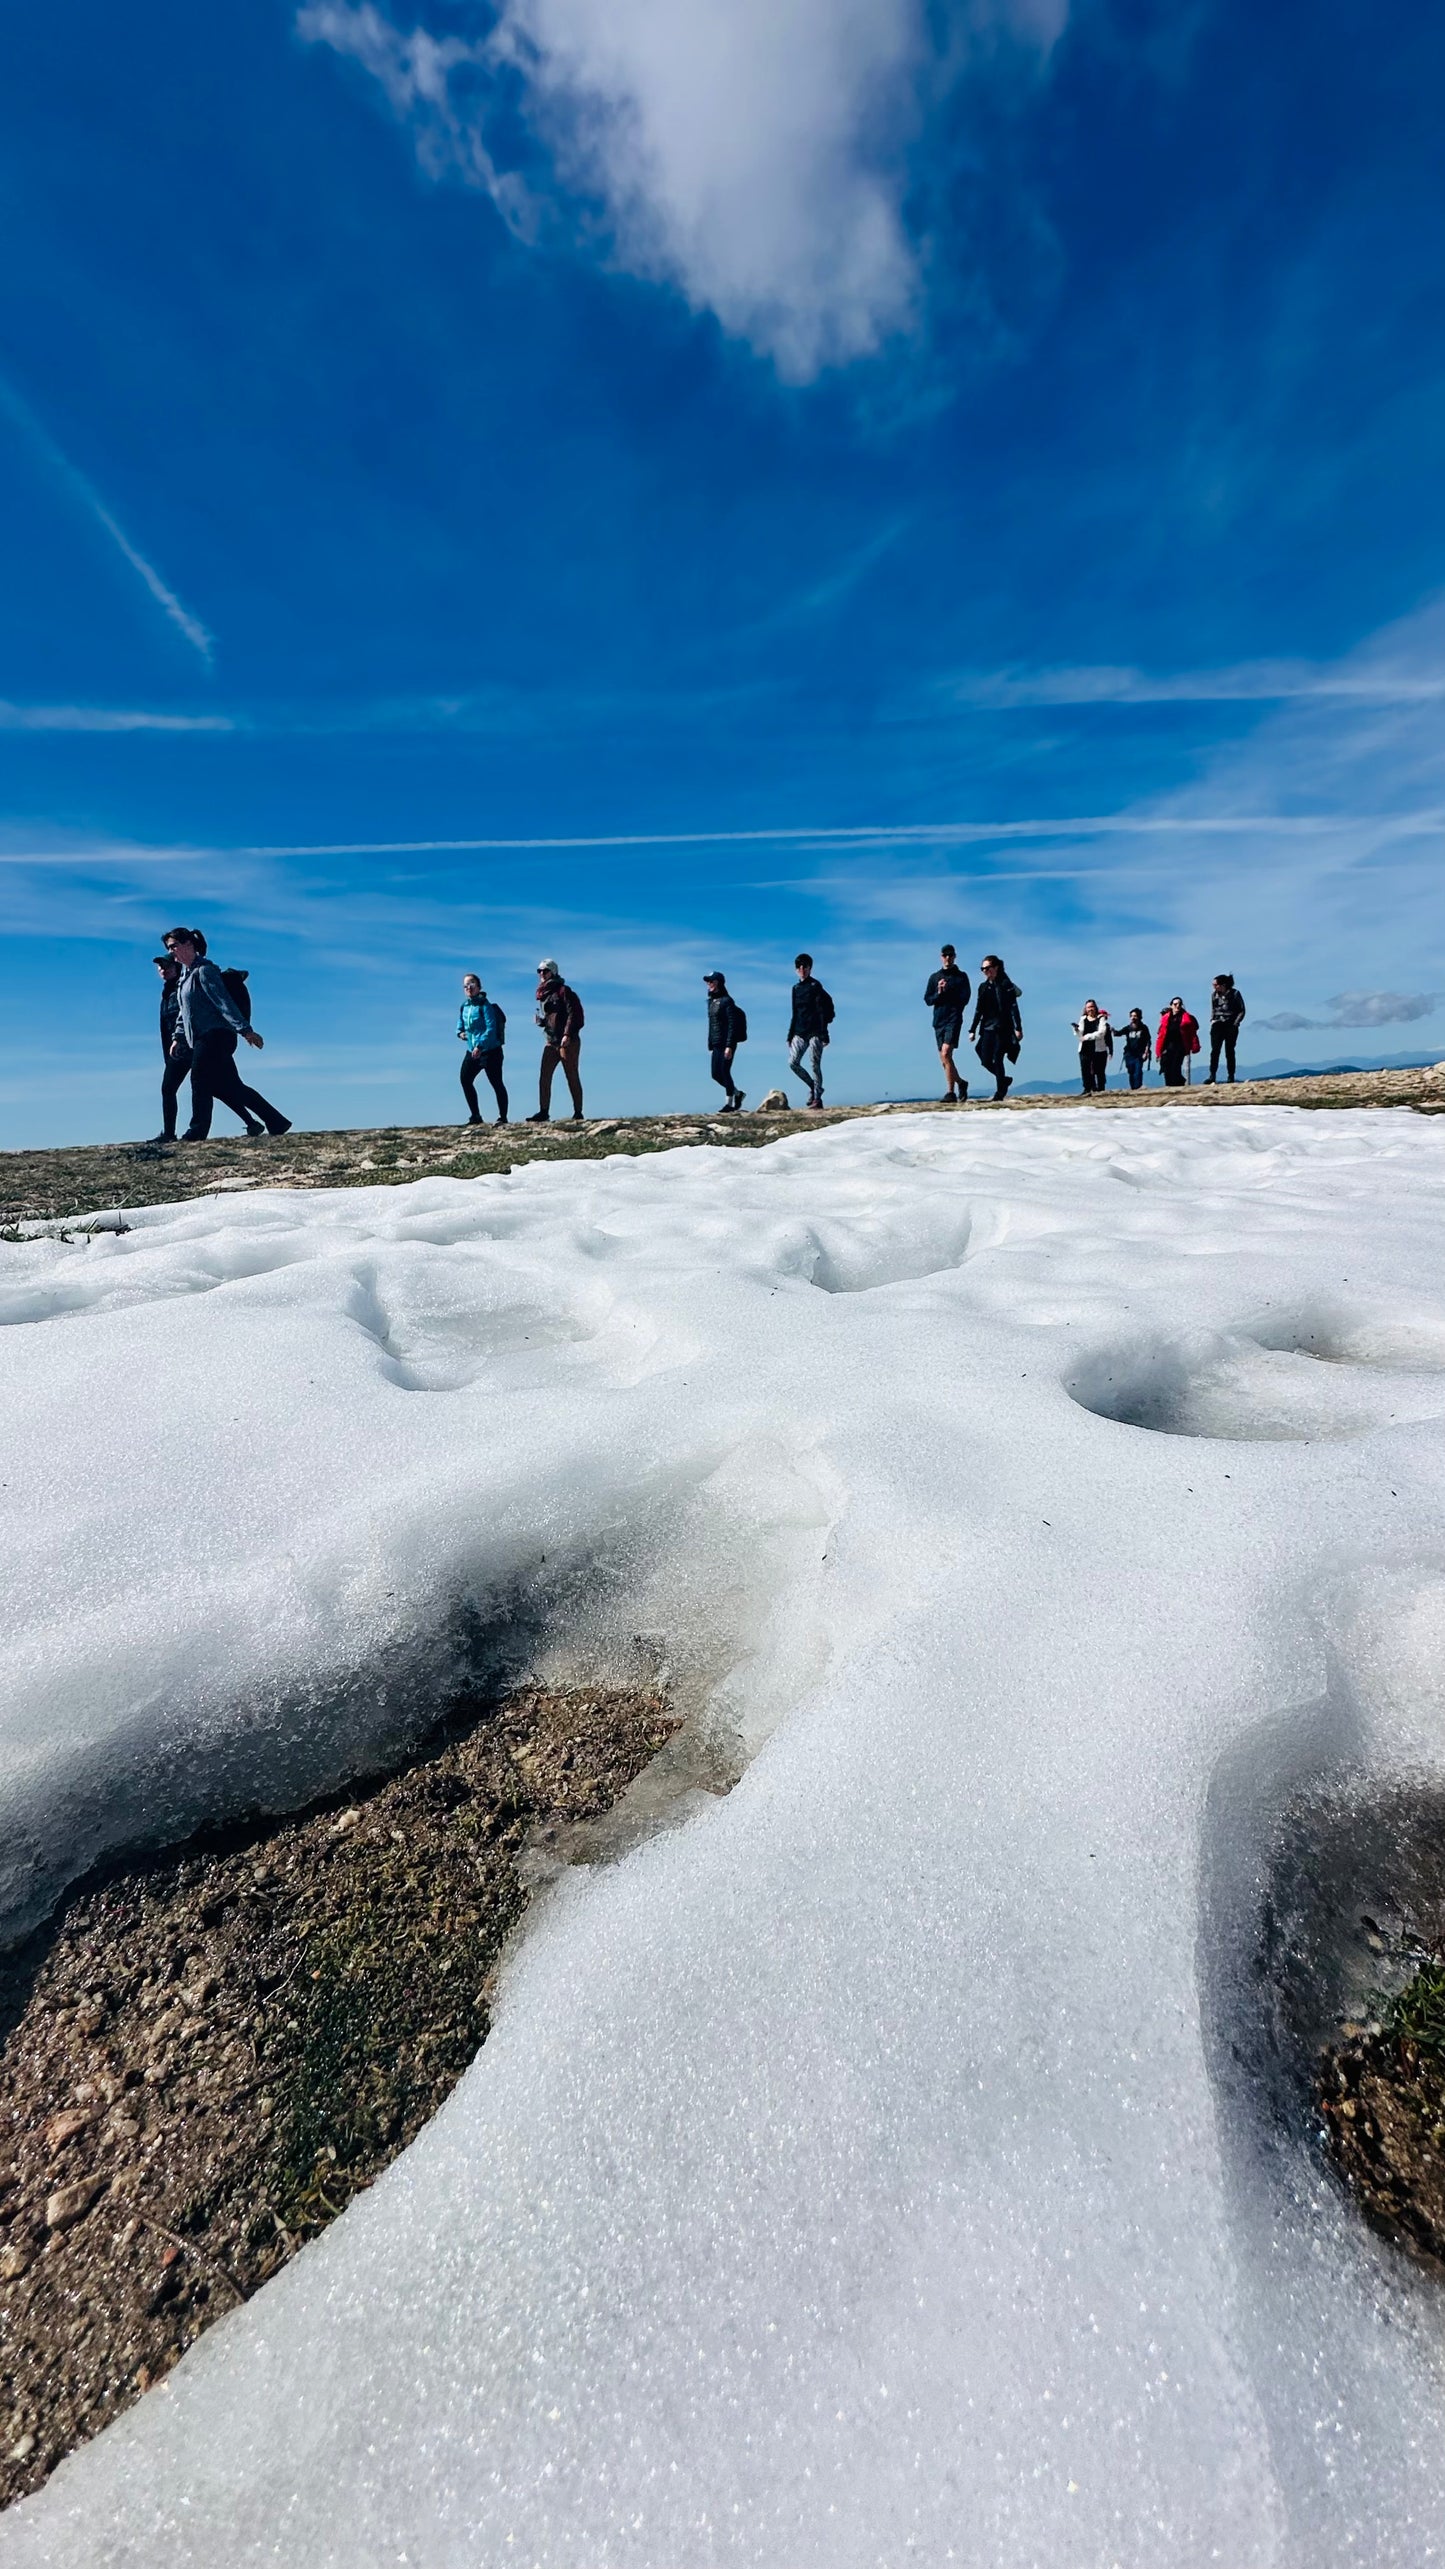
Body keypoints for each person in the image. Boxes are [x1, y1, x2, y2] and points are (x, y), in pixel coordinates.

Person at [162, 928, 291, 1141]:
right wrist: (177, 1037)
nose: (172, 952)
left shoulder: (205, 971)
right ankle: (276, 1120)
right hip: (200, 1038)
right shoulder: (185, 975)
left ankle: (197, 1130)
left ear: (189, 945)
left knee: (200, 1080)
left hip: (215, 1036)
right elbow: (184, 1013)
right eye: (169, 948)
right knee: (229, 1086)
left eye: (174, 946)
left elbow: (224, 1003)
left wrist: (245, 1030)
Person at [528, 959, 585, 1121]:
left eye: (544, 971)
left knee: (571, 1075)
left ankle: (578, 1112)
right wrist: (542, 1022)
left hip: (567, 1041)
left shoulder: (564, 991)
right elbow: (553, 1018)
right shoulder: (543, 994)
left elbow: (575, 1015)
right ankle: (543, 1111)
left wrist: (567, 1034)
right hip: (551, 1040)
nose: (541, 974)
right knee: (544, 1076)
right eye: (539, 971)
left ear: (552, 971)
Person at [456, 972, 508, 1124]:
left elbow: (491, 1029)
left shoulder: (485, 1005)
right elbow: (459, 1026)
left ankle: (503, 1117)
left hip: (490, 1051)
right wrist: (460, 1034)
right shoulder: (464, 1007)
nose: (468, 987)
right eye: (465, 985)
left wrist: (480, 1045)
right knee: (465, 1079)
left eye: (471, 984)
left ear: (479, 987)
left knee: (496, 1082)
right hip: (472, 1051)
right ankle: (475, 1116)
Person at [970, 955, 1022, 1100]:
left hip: (1003, 1027)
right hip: (987, 1028)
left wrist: (1018, 1027)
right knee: (984, 1058)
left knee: (998, 1058)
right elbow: (978, 1009)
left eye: (988, 968)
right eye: (983, 969)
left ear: (996, 968)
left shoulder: (1005, 985)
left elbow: (1014, 1007)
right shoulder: (983, 987)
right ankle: (1003, 1080)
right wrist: (972, 1029)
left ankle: (1000, 1092)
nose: (985, 971)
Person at [786, 954, 834, 1109]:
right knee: (793, 1063)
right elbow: (794, 1012)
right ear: (795, 970)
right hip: (799, 1031)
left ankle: (817, 1098)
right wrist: (790, 1034)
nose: (802, 970)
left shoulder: (815, 986)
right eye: (799, 967)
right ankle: (813, 1087)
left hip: (815, 1032)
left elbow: (821, 1011)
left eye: (805, 967)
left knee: (815, 1064)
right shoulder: (795, 988)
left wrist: (824, 1034)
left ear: (810, 968)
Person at [924, 945, 971, 1101]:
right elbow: (928, 1000)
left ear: (955, 956)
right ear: (941, 957)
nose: (948, 958)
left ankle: (950, 1092)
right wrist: (939, 992)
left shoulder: (961, 976)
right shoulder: (934, 977)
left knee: (946, 1053)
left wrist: (949, 990)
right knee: (944, 1060)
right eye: (945, 955)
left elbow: (965, 998)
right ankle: (961, 1083)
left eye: (950, 955)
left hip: (954, 1018)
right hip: (939, 1021)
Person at [703, 971, 746, 1111]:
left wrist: (729, 1045)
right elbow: (711, 1025)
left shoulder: (727, 1001)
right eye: (708, 982)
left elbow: (732, 1024)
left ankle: (729, 1103)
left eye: (712, 981)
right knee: (715, 1074)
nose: (709, 984)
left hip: (727, 1042)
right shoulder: (711, 1002)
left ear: (719, 983)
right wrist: (710, 1044)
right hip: (716, 1043)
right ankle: (738, 1093)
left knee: (725, 1071)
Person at [1205, 973, 1246, 1084]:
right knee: (1215, 1051)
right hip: (1217, 1024)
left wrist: (1236, 1023)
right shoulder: (1214, 995)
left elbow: (1242, 1010)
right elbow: (1213, 1008)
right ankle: (1212, 1075)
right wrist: (1213, 1019)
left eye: (1215, 984)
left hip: (1230, 1024)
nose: (1214, 987)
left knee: (1230, 1051)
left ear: (1222, 985)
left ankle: (1231, 1076)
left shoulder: (1235, 994)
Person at [1155, 995, 1201, 1087]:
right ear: (1171, 1005)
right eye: (1175, 1004)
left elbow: (1193, 1032)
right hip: (1167, 1046)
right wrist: (1158, 1051)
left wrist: (1195, 1045)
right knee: (1166, 1066)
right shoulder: (1166, 1018)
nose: (1177, 1006)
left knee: (1175, 1066)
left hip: (1180, 1045)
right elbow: (1161, 1035)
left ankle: (1177, 1084)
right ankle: (1169, 1085)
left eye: (1179, 1004)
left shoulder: (1187, 1018)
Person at [1072, 999, 1113, 1094]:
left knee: (1098, 1070)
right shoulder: (1083, 1019)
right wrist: (1076, 1030)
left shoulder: (1101, 1019)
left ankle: (1100, 1088)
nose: (1090, 1009)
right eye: (1088, 1007)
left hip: (1097, 1049)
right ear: (1085, 1009)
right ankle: (1087, 1088)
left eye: (1092, 1007)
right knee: (1085, 1069)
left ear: (1095, 1008)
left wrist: (1087, 1037)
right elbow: (1080, 1035)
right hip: (1084, 1048)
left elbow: (1101, 1033)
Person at [1120, 1007, 1152, 1091]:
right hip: (1129, 1054)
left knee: (1137, 1071)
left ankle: (1138, 1087)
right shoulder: (1128, 1028)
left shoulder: (1144, 1028)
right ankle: (1133, 1088)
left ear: (1139, 1017)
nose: (1133, 1018)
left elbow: (1148, 1040)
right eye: (1131, 1016)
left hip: (1139, 1054)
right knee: (1131, 1071)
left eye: (1135, 1016)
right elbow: (1119, 1033)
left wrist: (1146, 1052)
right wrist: (1111, 1030)